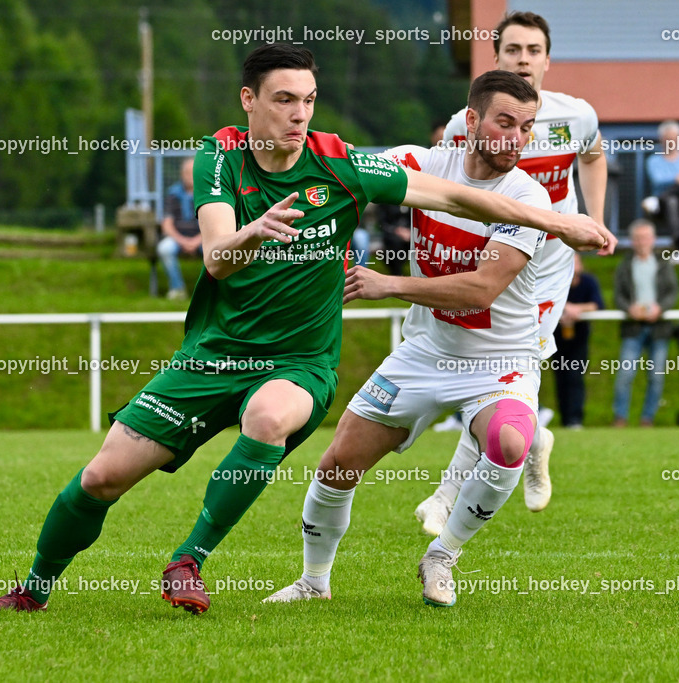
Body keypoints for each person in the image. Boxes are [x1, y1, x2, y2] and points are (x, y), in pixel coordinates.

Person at [0, 47, 609, 615]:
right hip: (211, 355)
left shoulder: (338, 164)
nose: (299, 113)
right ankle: (34, 590)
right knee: (101, 479)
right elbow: (216, 257)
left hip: (299, 362)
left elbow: (457, 198)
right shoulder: (219, 156)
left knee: (268, 420)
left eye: (308, 100)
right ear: (249, 101)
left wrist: (562, 223)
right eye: (284, 99)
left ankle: (188, 562)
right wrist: (249, 234)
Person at [261, 70, 614, 609]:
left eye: (527, 128)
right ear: (470, 122)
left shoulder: (529, 196)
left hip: (502, 359)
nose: (516, 139)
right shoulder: (423, 164)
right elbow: (343, 168)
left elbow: (481, 289)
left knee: (511, 443)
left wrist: (389, 284)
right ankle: (313, 582)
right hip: (426, 352)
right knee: (337, 465)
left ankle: (442, 556)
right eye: (504, 123)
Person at [415, 9, 608, 534]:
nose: (523, 60)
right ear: (496, 59)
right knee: (487, 369)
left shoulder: (576, 116)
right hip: (492, 258)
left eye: (533, 51)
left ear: (548, 60)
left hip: (545, 268)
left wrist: (593, 219)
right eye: (513, 51)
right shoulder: (465, 123)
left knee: (504, 366)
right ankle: (534, 441)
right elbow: (448, 186)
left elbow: (592, 156)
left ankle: (447, 492)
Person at [611, 219, 679, 427]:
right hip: (633, 328)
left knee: (656, 376)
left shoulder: (663, 264)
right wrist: (629, 309)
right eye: (638, 238)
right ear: (632, 241)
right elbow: (618, 296)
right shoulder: (625, 266)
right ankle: (620, 417)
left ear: (653, 239)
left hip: (659, 328)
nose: (642, 242)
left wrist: (660, 308)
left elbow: (673, 292)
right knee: (625, 374)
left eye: (645, 237)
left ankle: (647, 418)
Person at [553, 253, 604, 428]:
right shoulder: (556, 282)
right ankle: (565, 419)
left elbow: (597, 304)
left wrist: (576, 309)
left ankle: (575, 419)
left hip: (579, 340)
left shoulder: (589, 282)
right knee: (560, 378)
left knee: (575, 377)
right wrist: (565, 308)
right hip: (556, 339)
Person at [644, 120, 679, 238]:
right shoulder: (653, 161)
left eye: (674, 138)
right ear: (661, 139)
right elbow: (657, 181)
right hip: (663, 204)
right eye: (667, 138)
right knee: (671, 199)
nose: (671, 142)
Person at [157, 158, 201, 300]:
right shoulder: (172, 194)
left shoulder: (208, 193)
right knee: (164, 248)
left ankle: (210, 290)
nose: (190, 175)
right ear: (181, 174)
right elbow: (167, 224)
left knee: (216, 250)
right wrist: (182, 241)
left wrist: (196, 241)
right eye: (187, 172)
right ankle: (177, 289)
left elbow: (214, 224)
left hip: (203, 238)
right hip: (177, 238)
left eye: (193, 172)